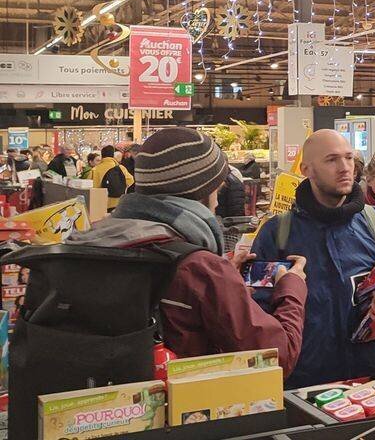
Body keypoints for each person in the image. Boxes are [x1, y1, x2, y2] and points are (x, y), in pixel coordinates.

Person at [65, 128, 308, 375]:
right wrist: (292, 287)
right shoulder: (200, 268)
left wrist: (227, 280)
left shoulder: (89, 240)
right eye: (217, 188)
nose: (217, 201)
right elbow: (278, 357)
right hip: (185, 396)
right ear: (200, 191)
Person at [252, 129, 375, 388]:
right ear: (307, 169)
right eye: (332, 160)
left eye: (348, 158)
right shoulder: (277, 234)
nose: (345, 168)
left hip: (373, 381)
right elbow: (259, 314)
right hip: (303, 385)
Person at [91, 145, 133, 210]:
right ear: (113, 155)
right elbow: (131, 180)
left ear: (102, 156)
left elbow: (91, 187)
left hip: (100, 204)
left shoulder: (95, 170)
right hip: (118, 203)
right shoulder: (121, 168)